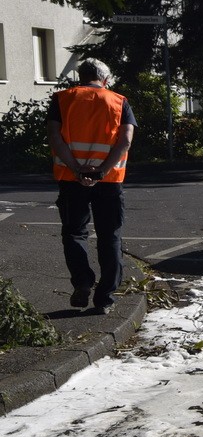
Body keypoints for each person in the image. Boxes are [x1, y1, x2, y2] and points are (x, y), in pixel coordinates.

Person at [47, 59, 137, 314]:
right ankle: (105, 298)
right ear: (105, 79)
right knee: (110, 236)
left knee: (74, 233)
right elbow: (125, 141)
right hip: (108, 181)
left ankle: (83, 282)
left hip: (70, 179)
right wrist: (101, 172)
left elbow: (54, 137)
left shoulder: (62, 99)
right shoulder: (118, 101)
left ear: (81, 76)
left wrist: (77, 169)